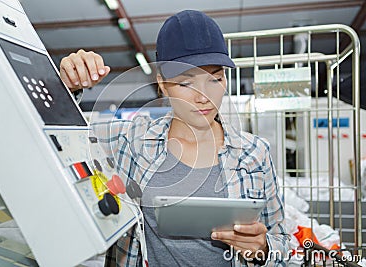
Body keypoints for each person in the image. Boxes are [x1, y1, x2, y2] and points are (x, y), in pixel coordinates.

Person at [60, 10, 290, 267]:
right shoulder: (132, 140)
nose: (204, 97)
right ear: (162, 82)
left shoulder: (254, 153)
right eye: (186, 83)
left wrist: (262, 249)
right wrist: (68, 86)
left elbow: (282, 241)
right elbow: (63, 136)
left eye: (215, 78)